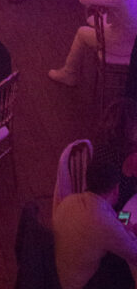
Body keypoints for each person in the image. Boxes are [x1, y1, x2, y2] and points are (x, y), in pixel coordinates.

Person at [53, 157, 137, 289]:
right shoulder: (104, 223)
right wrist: (130, 232)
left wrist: (128, 225)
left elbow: (112, 217)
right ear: (116, 189)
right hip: (81, 284)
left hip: (64, 271)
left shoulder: (70, 200)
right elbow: (135, 255)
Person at [49, 0, 137, 87]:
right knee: (91, 22)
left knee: (81, 32)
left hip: (121, 45)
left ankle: (69, 73)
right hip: (132, 41)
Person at [92, 98, 137, 211]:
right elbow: (125, 200)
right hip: (117, 211)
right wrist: (127, 227)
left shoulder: (99, 144)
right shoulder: (130, 158)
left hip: (95, 202)